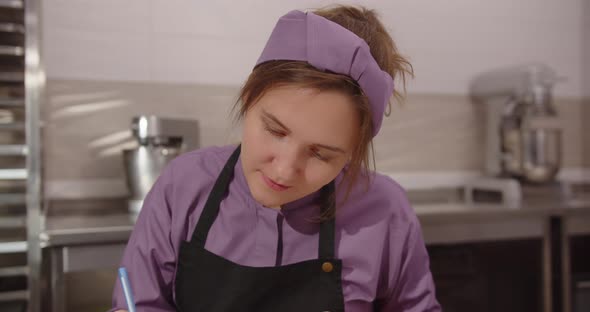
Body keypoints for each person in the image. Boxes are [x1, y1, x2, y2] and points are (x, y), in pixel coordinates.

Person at [111, 5, 441, 312]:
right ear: (248, 98)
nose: (284, 170)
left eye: (321, 154)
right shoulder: (183, 185)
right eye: (274, 130)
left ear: (352, 155)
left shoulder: (383, 210)